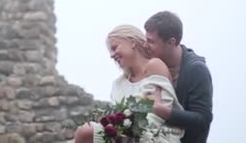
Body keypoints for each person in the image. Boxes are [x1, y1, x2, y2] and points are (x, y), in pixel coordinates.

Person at [74, 24, 184, 143]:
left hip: (157, 136)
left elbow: (158, 116)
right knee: (84, 132)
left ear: (132, 42)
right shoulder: (118, 84)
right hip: (127, 136)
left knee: (85, 131)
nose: (111, 55)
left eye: (115, 47)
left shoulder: (154, 66)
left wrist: (125, 131)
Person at [143, 11, 213, 143]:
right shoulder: (151, 63)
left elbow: (203, 119)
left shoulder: (196, 70)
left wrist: (164, 112)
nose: (145, 45)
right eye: (145, 39)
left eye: (151, 41)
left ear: (171, 42)